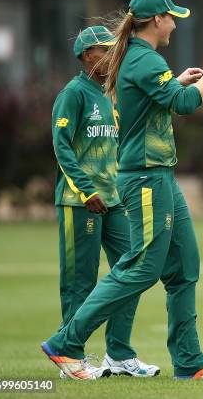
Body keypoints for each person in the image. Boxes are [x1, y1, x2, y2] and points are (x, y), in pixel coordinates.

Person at [41, 0, 203, 380]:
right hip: (146, 176)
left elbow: (164, 99)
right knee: (141, 267)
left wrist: (178, 81)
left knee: (184, 266)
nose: (176, 24)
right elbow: (185, 104)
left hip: (160, 172)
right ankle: (66, 343)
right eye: (172, 17)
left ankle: (189, 361)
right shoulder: (145, 58)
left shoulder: (142, 59)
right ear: (156, 20)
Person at [51, 25, 159, 379]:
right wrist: (86, 190)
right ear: (86, 57)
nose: (113, 55)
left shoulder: (110, 92)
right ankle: (71, 359)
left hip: (113, 200)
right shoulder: (74, 93)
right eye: (104, 51)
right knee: (79, 283)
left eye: (114, 49)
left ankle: (119, 354)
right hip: (80, 200)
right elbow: (62, 146)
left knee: (133, 271)